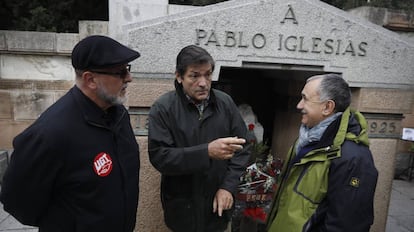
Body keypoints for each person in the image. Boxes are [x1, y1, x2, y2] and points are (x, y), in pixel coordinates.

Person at [0, 35, 141, 232]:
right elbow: (17, 201)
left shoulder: (118, 116)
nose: (129, 78)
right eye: (120, 72)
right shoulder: (50, 133)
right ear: (90, 79)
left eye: (128, 69)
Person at [147, 45, 250, 232]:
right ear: (179, 76)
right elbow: (160, 157)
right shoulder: (163, 109)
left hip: (217, 209)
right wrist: (206, 152)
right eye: (194, 76)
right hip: (182, 210)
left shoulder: (225, 103)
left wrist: (228, 187)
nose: (203, 83)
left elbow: (244, 147)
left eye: (208, 75)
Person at [267, 73, 378, 232]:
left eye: (305, 98)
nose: (299, 105)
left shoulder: (353, 159)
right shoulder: (306, 141)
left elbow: (346, 225)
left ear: (327, 107)